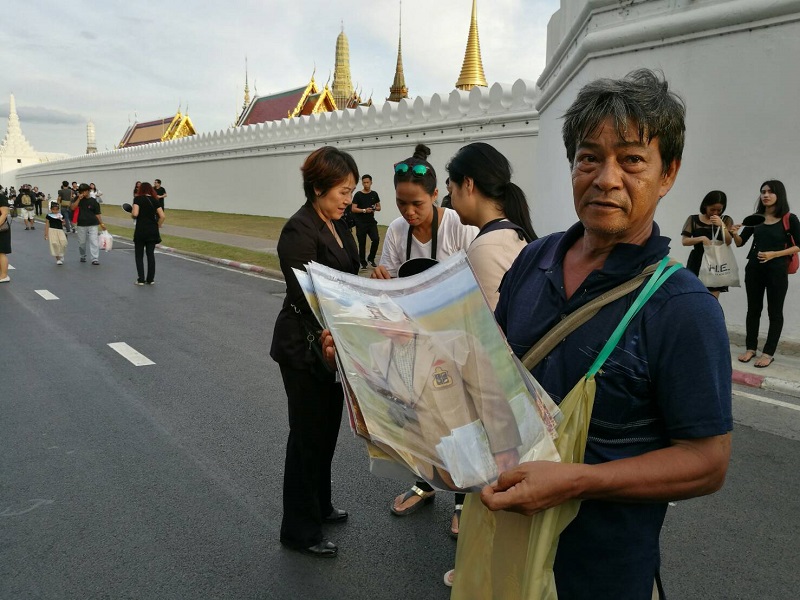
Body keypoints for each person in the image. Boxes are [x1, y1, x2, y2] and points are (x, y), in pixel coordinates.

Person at [449, 69, 733, 599]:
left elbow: (707, 462)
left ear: (667, 173)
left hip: (600, 577)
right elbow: (492, 376)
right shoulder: (533, 260)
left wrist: (579, 480)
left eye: (631, 159)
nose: (606, 177)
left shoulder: (681, 308)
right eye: (589, 157)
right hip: (500, 553)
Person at [439, 141, 537, 585]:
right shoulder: (515, 235)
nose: (448, 196)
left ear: (469, 185)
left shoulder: (484, 248)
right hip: (520, 392)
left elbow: (490, 339)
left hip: (497, 393)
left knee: (491, 491)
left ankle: (481, 575)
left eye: (451, 186)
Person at [371, 143, 479, 521]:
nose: (409, 212)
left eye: (417, 203)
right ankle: (427, 481)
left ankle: (465, 499)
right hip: (412, 342)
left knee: (460, 418)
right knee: (420, 416)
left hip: (456, 340)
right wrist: (379, 282)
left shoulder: (459, 227)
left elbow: (478, 286)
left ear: (436, 195)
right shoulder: (397, 231)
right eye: (401, 204)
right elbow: (388, 287)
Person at [270, 146, 360, 558]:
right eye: (342, 191)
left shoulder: (338, 224)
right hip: (305, 345)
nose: (348, 199)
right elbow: (309, 299)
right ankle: (299, 529)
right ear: (318, 187)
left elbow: (346, 278)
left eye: (351, 191)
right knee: (307, 436)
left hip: (332, 344)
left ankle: (320, 506)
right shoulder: (298, 231)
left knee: (326, 429)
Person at [732, 180, 800, 368]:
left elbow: (798, 245)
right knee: (753, 309)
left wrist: (774, 254)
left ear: (780, 195)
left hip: (777, 270)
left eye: (770, 192)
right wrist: (733, 233)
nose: (766, 195)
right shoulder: (755, 218)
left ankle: (768, 352)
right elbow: (739, 242)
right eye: (763, 192)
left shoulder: (789, 218)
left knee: (774, 312)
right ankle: (750, 348)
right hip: (754, 269)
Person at [681, 190, 735, 298]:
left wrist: (722, 225)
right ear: (705, 205)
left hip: (716, 262)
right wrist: (701, 239)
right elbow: (685, 241)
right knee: (693, 295)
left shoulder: (726, 220)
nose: (715, 213)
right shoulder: (693, 219)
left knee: (712, 299)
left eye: (719, 210)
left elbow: (728, 242)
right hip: (698, 259)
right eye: (712, 209)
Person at [131, 182, 165, 285]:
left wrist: (132, 215)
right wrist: (158, 225)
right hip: (152, 230)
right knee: (150, 255)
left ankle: (141, 279)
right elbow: (162, 216)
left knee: (139, 255)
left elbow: (135, 214)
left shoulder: (137, 199)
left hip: (141, 230)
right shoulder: (155, 200)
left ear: (141, 189)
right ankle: (150, 279)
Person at [70, 183, 107, 265]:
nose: (83, 193)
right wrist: (79, 199)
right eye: (81, 192)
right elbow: (72, 207)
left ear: (88, 191)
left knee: (94, 241)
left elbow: (97, 214)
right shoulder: (77, 199)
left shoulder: (93, 201)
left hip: (93, 223)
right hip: (81, 224)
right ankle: (82, 255)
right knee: (82, 242)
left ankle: (95, 258)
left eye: (85, 191)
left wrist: (102, 224)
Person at [351, 174, 381, 268]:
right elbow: (353, 209)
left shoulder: (374, 194)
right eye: (364, 183)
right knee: (362, 243)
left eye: (367, 182)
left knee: (376, 239)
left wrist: (374, 208)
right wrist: (364, 210)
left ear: (371, 182)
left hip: (371, 222)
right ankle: (363, 262)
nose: (366, 184)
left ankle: (371, 258)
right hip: (360, 223)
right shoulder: (358, 195)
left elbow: (379, 207)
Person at [44, 200, 68, 265]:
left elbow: (64, 223)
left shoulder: (60, 215)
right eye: (53, 209)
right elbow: (47, 224)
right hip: (52, 230)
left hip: (60, 230)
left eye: (56, 209)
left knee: (63, 242)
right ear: (51, 209)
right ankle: (58, 259)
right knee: (55, 244)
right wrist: (46, 234)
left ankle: (61, 254)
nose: (55, 211)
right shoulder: (49, 216)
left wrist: (62, 221)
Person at [0, 189, 10, 282]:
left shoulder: (1, 198)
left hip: (1, 229)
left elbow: (4, 214)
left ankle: (4, 276)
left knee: (1, 252)